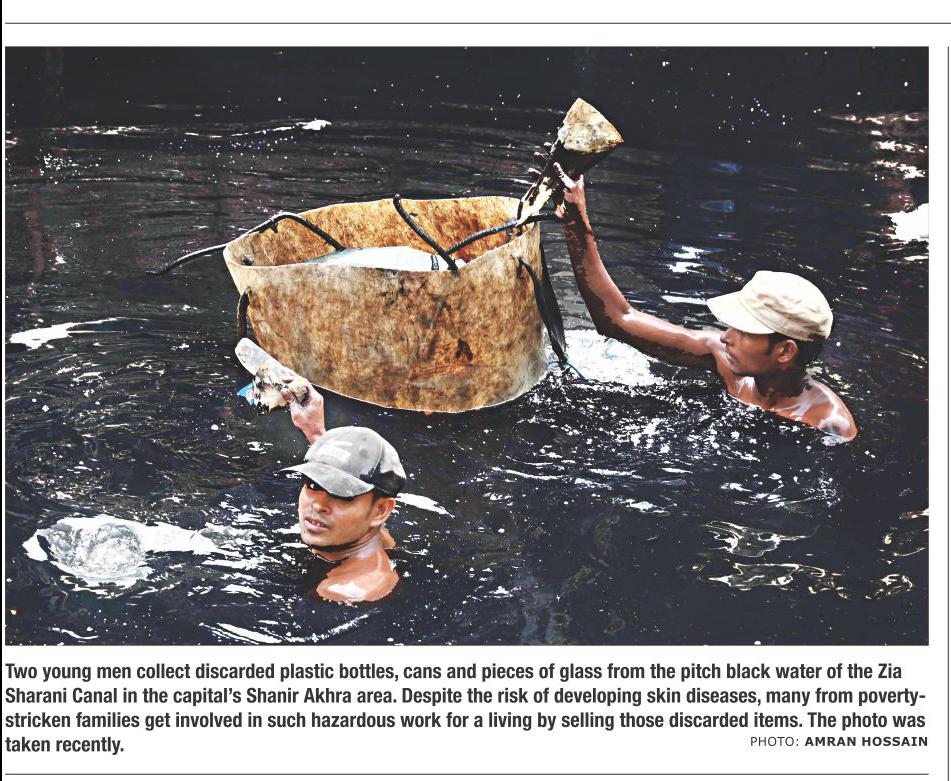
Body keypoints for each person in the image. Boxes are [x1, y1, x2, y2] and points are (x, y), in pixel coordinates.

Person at [545, 161, 857, 441]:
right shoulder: (725, 359)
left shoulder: (829, 426)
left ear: (785, 351)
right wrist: (576, 223)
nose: (726, 337)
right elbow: (618, 319)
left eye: (744, 331)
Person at [279, 384, 406, 602]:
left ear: (380, 511)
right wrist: (316, 434)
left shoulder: (344, 591)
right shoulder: (373, 533)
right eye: (313, 485)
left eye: (341, 495)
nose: (318, 505)